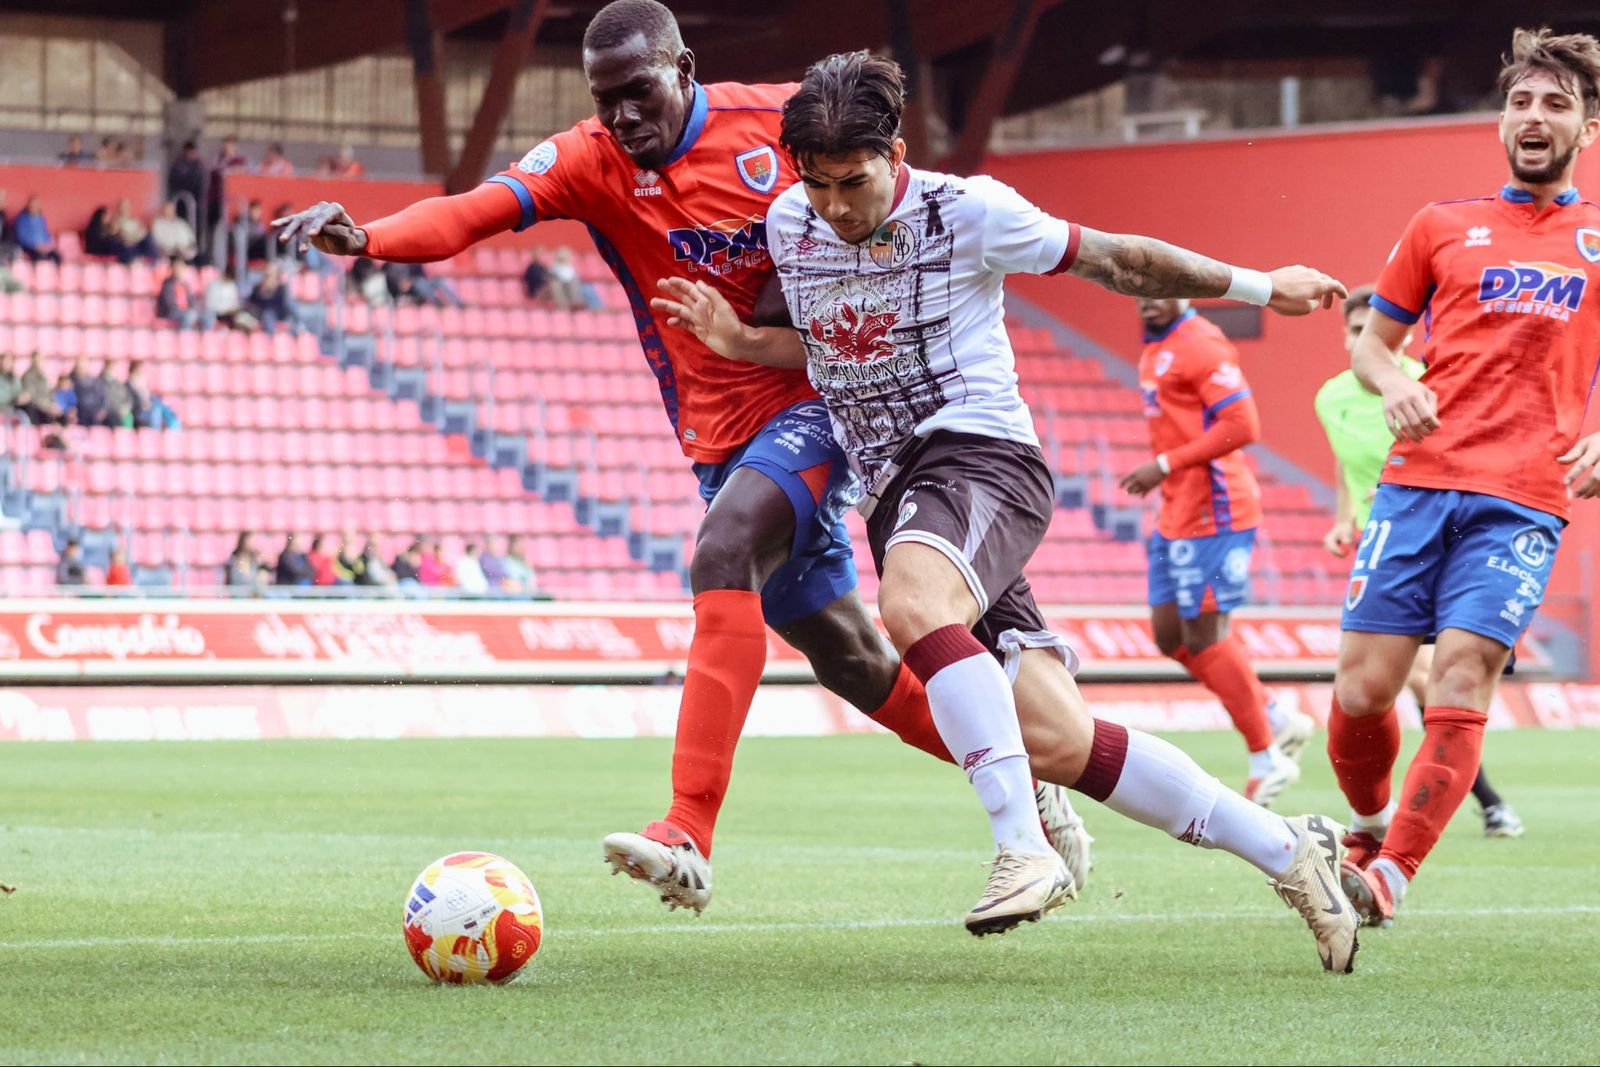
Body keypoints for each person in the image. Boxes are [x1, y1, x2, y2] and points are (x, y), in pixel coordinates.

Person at [272, 0, 1095, 928]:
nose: (623, 118)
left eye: (638, 93)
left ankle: (686, 833)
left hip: (820, 399)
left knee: (721, 551)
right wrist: (370, 237)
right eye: (605, 99)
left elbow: (882, 174)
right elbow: (475, 211)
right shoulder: (589, 158)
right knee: (854, 660)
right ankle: (1032, 779)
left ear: (685, 69)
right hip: (717, 433)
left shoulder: (779, 127)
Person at [655, 49, 1359, 966]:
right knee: (1061, 741)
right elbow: (838, 347)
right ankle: (1290, 850)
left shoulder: (969, 210)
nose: (834, 204)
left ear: (896, 155)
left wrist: (1262, 285)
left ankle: (1022, 848)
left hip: (981, 457)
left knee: (910, 606)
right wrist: (745, 338)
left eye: (853, 182)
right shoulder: (792, 222)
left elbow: (1121, 259)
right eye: (817, 182)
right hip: (898, 493)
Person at [1331, 27, 1600, 928]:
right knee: (1362, 693)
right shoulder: (1439, 225)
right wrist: (1396, 377)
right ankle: (1367, 826)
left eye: (1557, 103)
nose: (1536, 115)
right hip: (1416, 484)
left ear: (1586, 130)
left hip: (1523, 497)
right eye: (1523, 101)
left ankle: (1390, 874)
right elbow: (1374, 343)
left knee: (1462, 674)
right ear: (1500, 122)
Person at [1315, 285, 1525, 841]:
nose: (1363, 339)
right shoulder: (1329, 397)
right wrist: (1343, 517)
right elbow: (1345, 462)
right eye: (1354, 330)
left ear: (1400, 338)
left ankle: (1447, 811)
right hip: (1381, 549)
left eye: (1375, 330)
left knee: (1429, 681)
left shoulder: (1428, 388)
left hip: (1442, 544)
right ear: (1346, 337)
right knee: (1401, 683)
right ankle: (1488, 802)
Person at [1120, 297, 1312, 806]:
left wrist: (1164, 464)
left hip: (1216, 508)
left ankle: (1266, 756)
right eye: (1142, 290)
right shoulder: (1156, 345)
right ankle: (1272, 715)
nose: (1150, 299)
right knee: (1168, 636)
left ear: (1183, 291)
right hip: (1176, 508)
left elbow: (1244, 425)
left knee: (1204, 637)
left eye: (1163, 288)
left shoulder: (1200, 342)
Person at [204, 265, 258, 331]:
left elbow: (234, 302)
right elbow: (210, 304)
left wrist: (234, 308)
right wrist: (226, 309)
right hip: (218, 313)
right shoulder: (214, 285)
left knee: (251, 322)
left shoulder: (232, 285)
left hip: (231, 313)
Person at [248, 264, 296, 332]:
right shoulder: (257, 288)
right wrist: (263, 291)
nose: (268, 278)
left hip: (278, 314)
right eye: (267, 275)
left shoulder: (281, 289)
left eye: (271, 275)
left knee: (293, 307)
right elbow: (251, 302)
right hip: (260, 314)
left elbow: (279, 303)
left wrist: (271, 290)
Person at [13, 196, 61, 264]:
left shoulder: (41, 218)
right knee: (39, 257)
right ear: (28, 205)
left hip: (42, 247)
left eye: (36, 205)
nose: (34, 207)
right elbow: (21, 237)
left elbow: (46, 233)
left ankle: (54, 274)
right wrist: (34, 246)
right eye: (32, 205)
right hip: (29, 247)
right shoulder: (21, 219)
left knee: (56, 256)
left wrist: (45, 244)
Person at [157, 258, 200, 329]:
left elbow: (191, 299)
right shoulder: (168, 284)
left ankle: (203, 338)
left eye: (181, 268)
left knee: (207, 316)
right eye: (178, 268)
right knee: (189, 315)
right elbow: (169, 302)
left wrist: (192, 308)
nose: (180, 270)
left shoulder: (185, 284)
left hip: (186, 311)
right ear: (173, 269)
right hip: (172, 312)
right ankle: (184, 336)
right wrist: (184, 310)